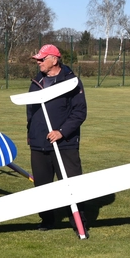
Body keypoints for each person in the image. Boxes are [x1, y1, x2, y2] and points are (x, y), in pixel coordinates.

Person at [26, 44, 87, 230]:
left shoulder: (71, 81)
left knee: (72, 185)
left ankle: (79, 223)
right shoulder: (37, 81)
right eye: (37, 59)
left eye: (42, 59)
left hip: (65, 143)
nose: (38, 62)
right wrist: (31, 134)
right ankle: (47, 220)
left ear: (54, 59)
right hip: (39, 143)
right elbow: (31, 111)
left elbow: (79, 112)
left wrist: (62, 132)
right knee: (42, 186)